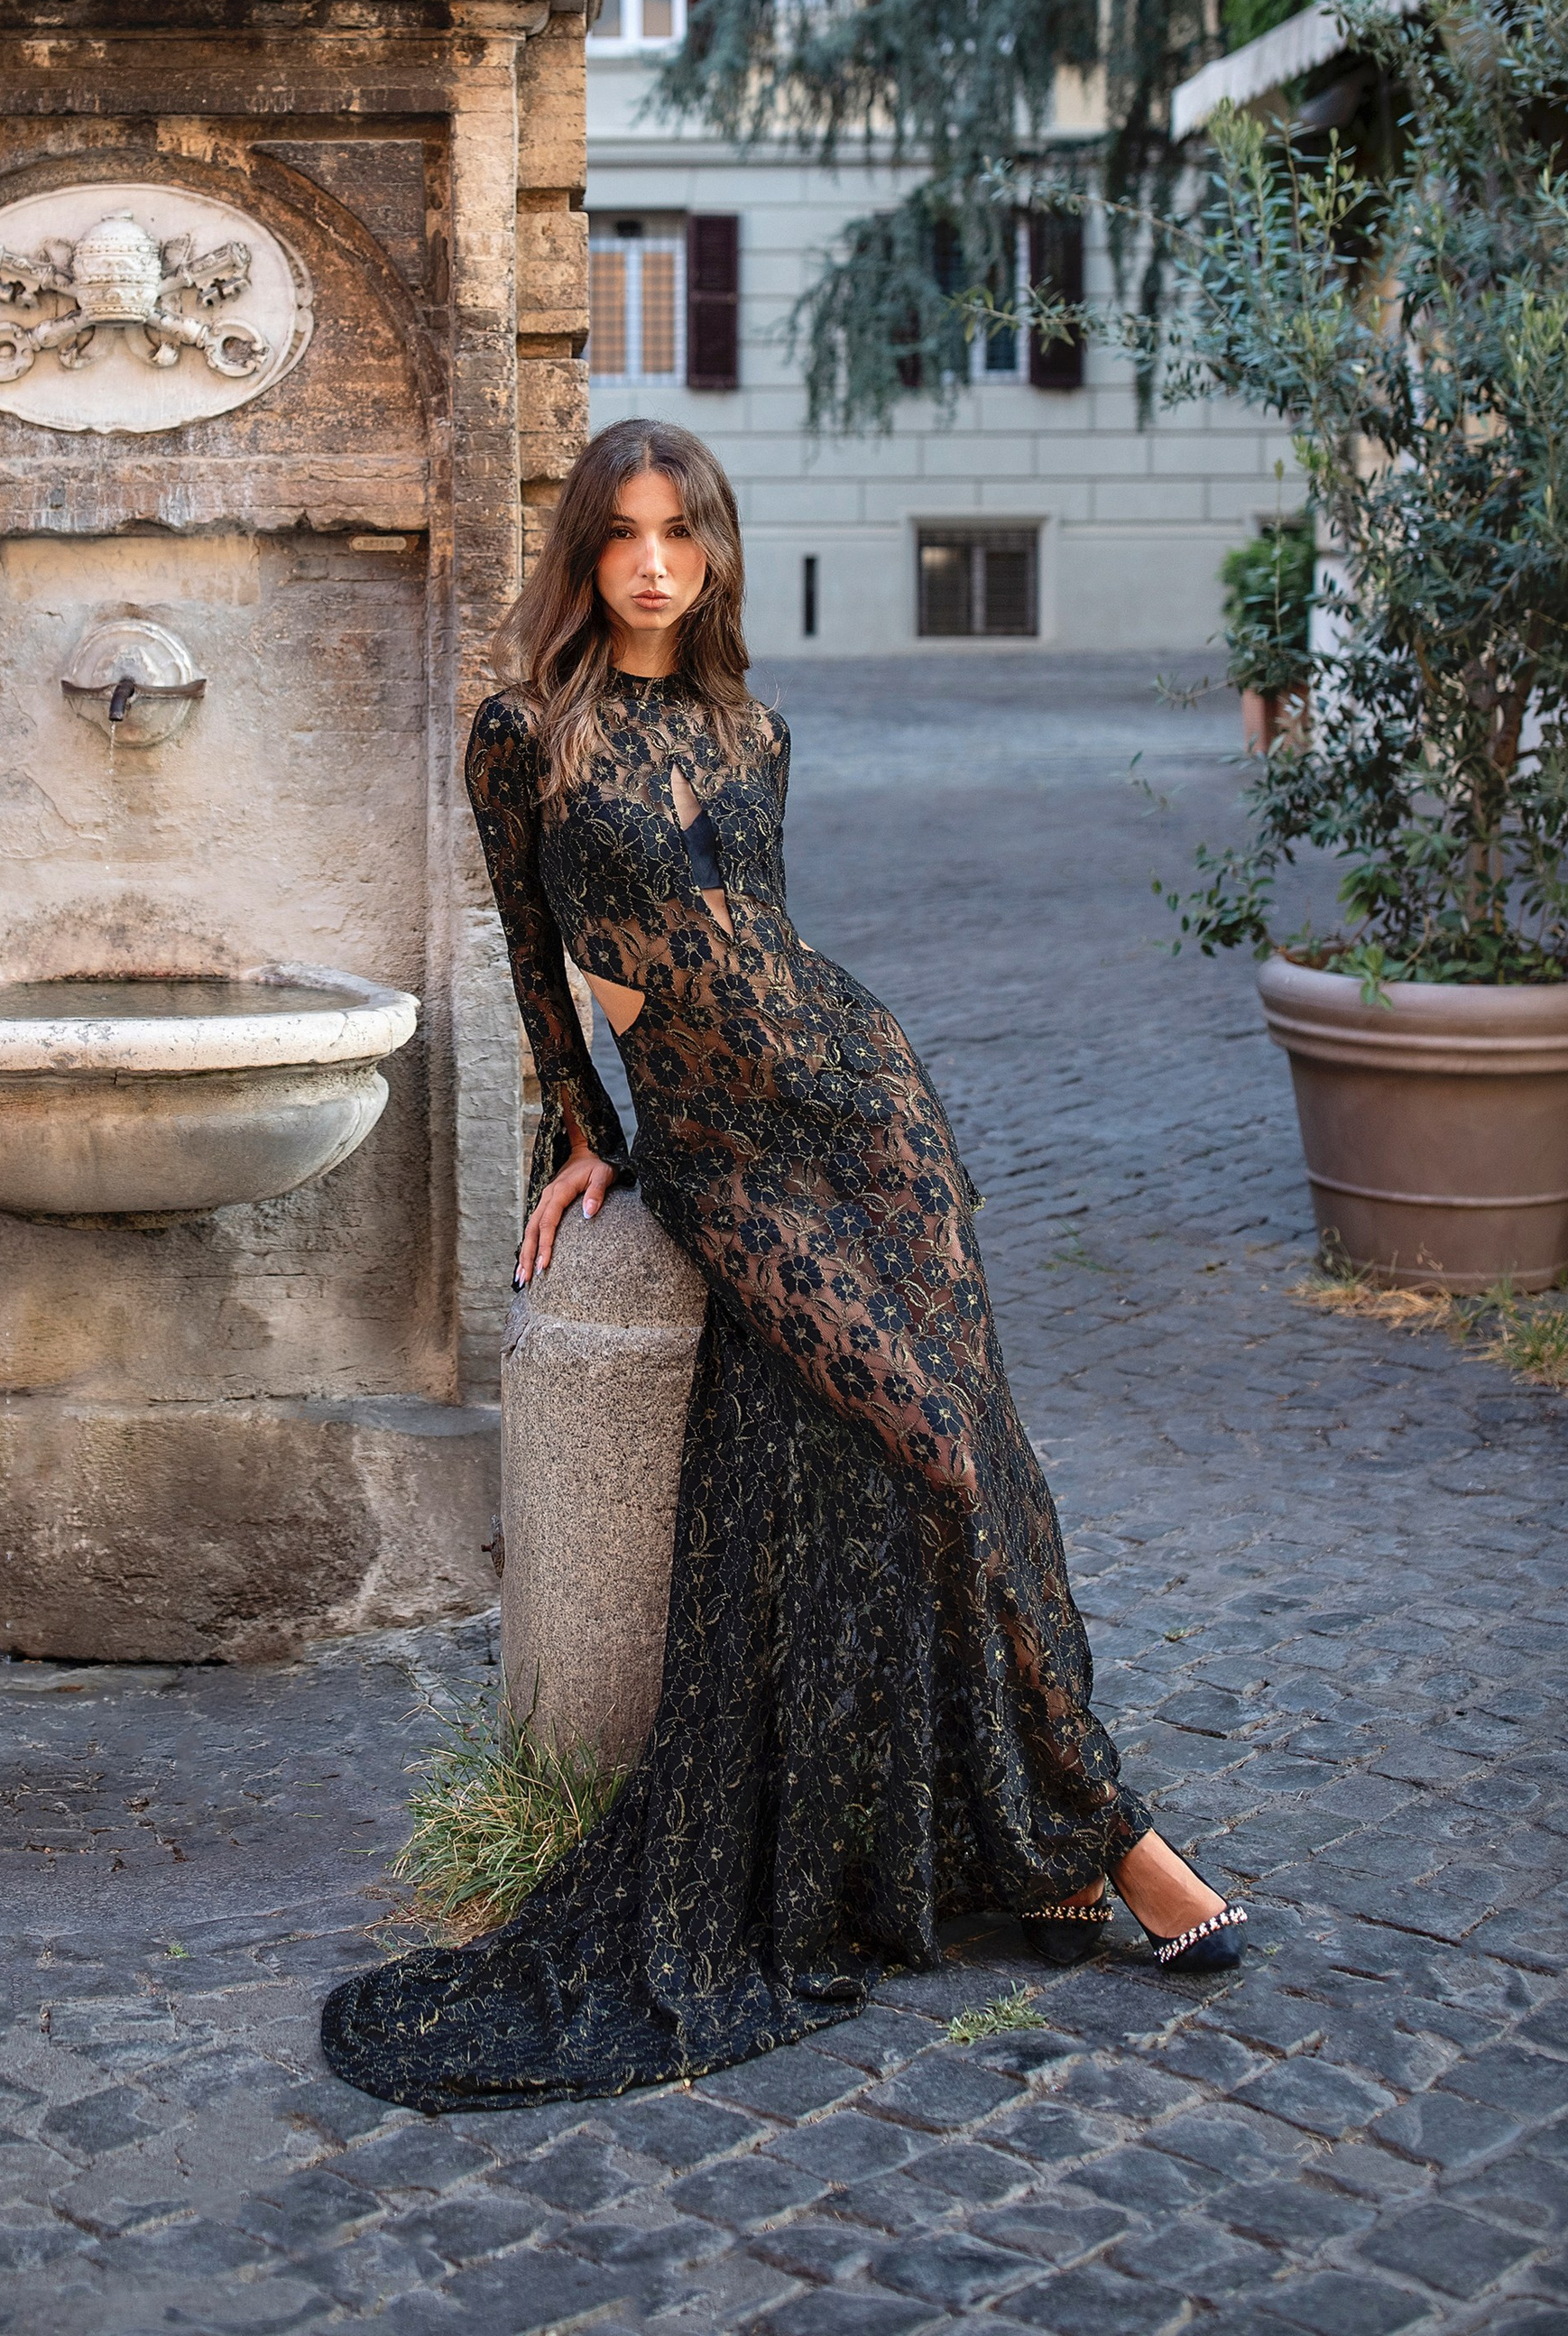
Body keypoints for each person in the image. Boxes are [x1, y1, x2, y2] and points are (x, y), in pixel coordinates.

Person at [321, 421, 1242, 2114]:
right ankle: (1114, 1845)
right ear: (585, 554)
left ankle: (1058, 1842)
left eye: (684, 532)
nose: (656, 562)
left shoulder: (753, 727)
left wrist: (824, 1095)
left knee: (981, 1467)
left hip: (866, 1102)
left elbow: (771, 936)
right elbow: (538, 968)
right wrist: (584, 1140)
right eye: (625, 534)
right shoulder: (522, 737)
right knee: (937, 1454)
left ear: (719, 550)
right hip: (725, 1157)